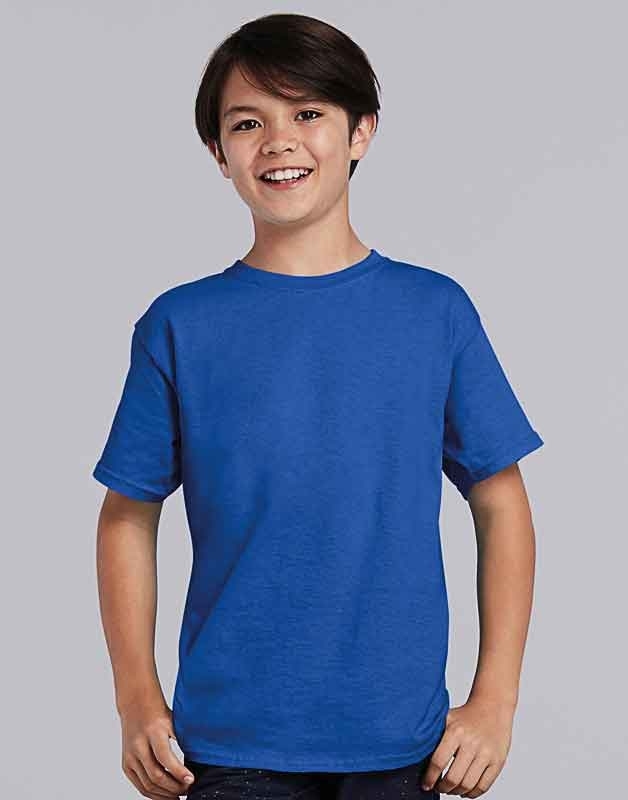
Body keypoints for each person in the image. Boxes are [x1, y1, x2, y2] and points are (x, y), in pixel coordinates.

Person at [92, 13, 544, 800]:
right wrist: (136, 701)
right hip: (229, 744)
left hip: (401, 743)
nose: (279, 141)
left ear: (361, 130)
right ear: (218, 152)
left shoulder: (434, 312)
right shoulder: (180, 325)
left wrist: (496, 700)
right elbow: (126, 515)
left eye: (307, 113)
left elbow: (501, 502)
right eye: (247, 122)